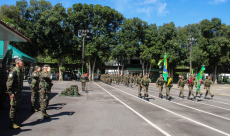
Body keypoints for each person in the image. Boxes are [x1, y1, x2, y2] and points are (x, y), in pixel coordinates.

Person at [7, 58, 24, 129]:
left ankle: (14, 121)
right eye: (21, 63)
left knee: (16, 107)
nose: (23, 64)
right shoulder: (13, 71)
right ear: (17, 63)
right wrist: (10, 93)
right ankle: (12, 123)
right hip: (14, 93)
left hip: (18, 93)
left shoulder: (19, 70)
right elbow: (9, 83)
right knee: (13, 108)